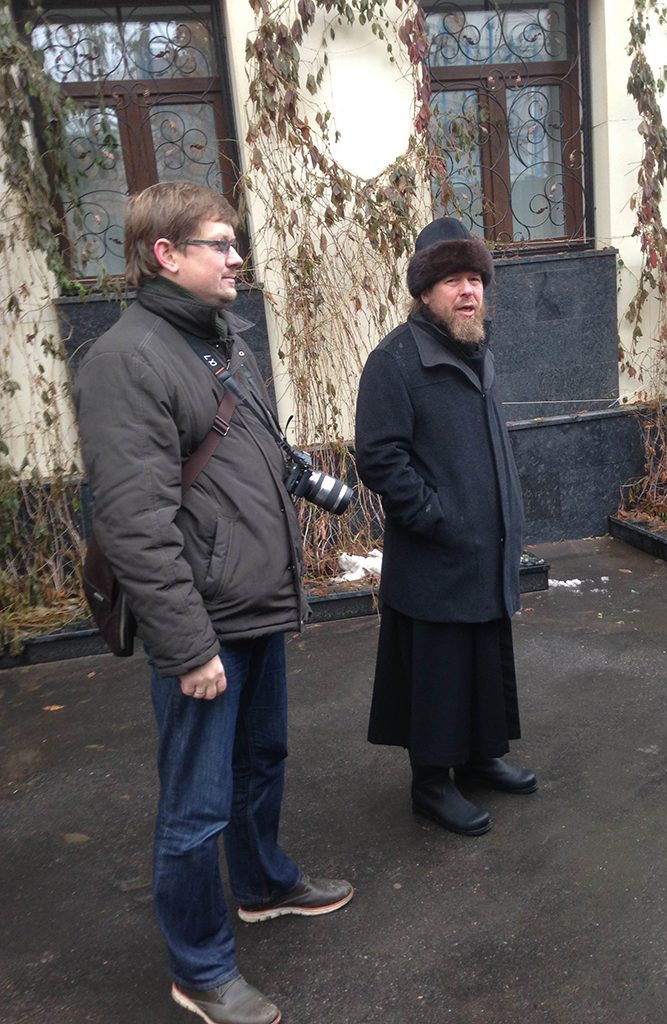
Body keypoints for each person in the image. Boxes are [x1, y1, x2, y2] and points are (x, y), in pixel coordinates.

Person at [74, 182, 353, 1024]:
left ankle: (262, 884)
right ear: (166, 254)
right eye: (220, 244)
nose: (237, 259)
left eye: (235, 244)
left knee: (261, 759)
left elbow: (253, 452)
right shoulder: (127, 360)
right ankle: (199, 969)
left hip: (255, 601)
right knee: (195, 805)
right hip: (206, 624)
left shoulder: (221, 340)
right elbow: (135, 524)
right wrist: (190, 647)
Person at [354, 216, 537, 837]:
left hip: (486, 547)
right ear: (425, 291)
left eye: (476, 279)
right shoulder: (395, 360)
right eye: (454, 280)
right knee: (439, 671)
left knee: (482, 657)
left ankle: (480, 759)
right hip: (436, 554)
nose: (468, 291)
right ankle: (431, 784)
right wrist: (436, 516)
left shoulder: (477, 351)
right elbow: (379, 457)